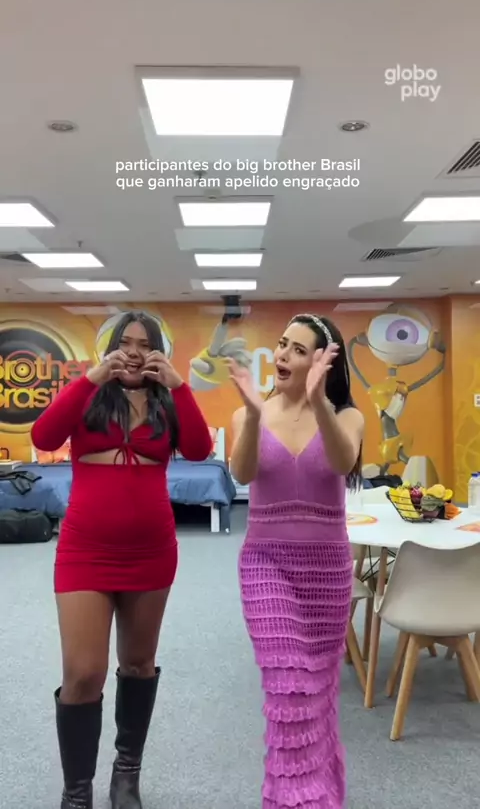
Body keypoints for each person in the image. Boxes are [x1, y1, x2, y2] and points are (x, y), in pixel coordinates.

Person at [31, 310, 213, 809]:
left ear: (158, 352)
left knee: (137, 663)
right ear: (111, 348)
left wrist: (179, 387)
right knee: (83, 672)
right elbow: (44, 437)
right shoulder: (90, 393)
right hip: (85, 550)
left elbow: (199, 449)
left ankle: (126, 774)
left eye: (145, 344)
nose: (134, 352)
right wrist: (91, 377)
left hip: (151, 551)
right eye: (125, 343)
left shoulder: (166, 400)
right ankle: (77, 792)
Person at [228, 313, 364, 809]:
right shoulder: (250, 413)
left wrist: (320, 403)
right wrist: (252, 416)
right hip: (266, 564)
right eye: (282, 344)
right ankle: (288, 799)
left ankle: (321, 789)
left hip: (326, 568)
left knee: (318, 688)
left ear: (321, 363)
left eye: (298, 350)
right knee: (288, 690)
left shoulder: (347, 417)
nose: (283, 355)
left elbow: (343, 462)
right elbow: (242, 474)